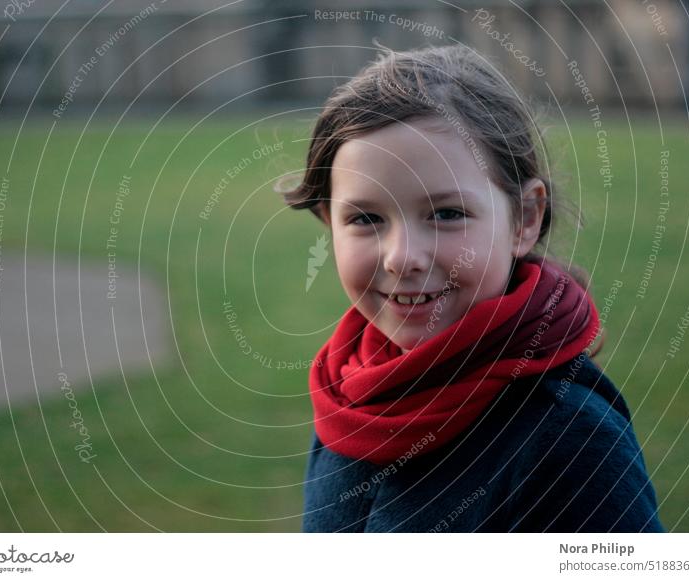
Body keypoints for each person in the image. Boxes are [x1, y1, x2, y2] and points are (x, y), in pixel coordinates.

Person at [281, 45, 664, 532]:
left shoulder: (566, 434)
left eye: (446, 214)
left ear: (524, 218)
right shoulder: (352, 396)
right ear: (328, 224)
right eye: (365, 218)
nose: (402, 257)